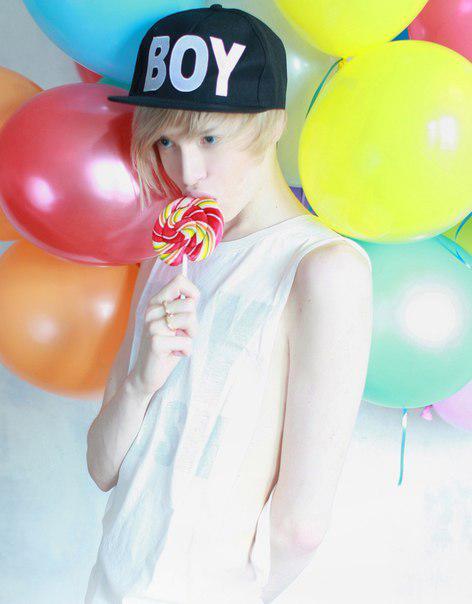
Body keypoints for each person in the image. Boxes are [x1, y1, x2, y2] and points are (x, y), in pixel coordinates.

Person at [85, 4, 373, 603]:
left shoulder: (322, 269)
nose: (186, 171)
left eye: (209, 137)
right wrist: (142, 381)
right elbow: (103, 469)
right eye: (166, 140)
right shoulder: (170, 258)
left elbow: (301, 525)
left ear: (271, 123)